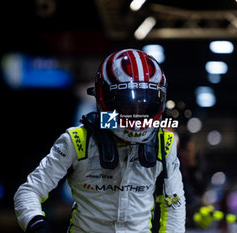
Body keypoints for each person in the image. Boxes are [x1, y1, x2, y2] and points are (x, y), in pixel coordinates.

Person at [14, 49, 186, 233]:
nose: (137, 110)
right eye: (128, 102)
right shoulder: (78, 139)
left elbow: (174, 205)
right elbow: (28, 192)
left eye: (145, 101)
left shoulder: (164, 143)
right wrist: (37, 226)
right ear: (105, 98)